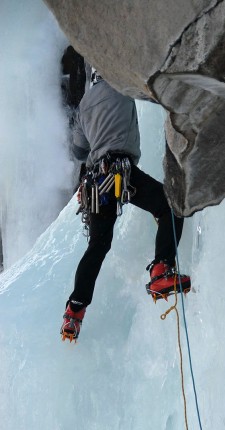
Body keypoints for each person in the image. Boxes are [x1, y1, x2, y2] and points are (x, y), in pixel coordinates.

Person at [61, 69, 191, 341]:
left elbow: (79, 151)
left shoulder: (85, 104)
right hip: (122, 171)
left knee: (98, 245)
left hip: (97, 181)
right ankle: (161, 270)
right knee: (169, 206)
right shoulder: (125, 83)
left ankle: (74, 311)